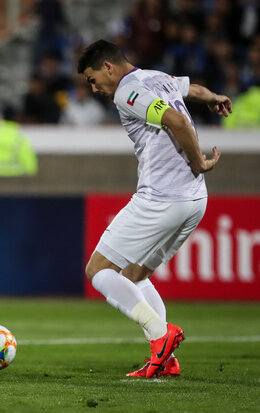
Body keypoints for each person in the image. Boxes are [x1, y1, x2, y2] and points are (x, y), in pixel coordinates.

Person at [77, 40, 231, 378]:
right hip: (194, 201)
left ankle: (161, 336)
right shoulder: (157, 77)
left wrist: (198, 162)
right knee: (136, 276)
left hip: (162, 197)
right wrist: (214, 98)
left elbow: (175, 119)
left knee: (98, 271)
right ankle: (165, 359)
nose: (93, 88)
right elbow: (191, 89)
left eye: (92, 78)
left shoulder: (126, 92)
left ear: (108, 68)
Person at [0, 105, 38, 177]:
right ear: (16, 118)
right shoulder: (18, 136)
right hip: (12, 172)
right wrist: (31, 172)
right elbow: (29, 161)